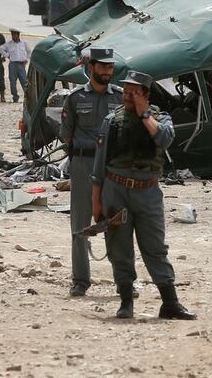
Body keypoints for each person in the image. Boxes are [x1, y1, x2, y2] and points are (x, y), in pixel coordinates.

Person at [92, 71, 195, 320]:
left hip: (147, 191)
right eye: (126, 92)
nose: (127, 97)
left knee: (155, 247)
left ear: (146, 95)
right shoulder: (111, 120)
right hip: (116, 190)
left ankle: (169, 303)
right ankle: (126, 300)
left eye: (134, 93)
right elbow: (99, 166)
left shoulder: (161, 118)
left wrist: (144, 113)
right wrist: (96, 203)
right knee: (119, 247)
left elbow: (164, 138)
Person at [60, 47, 123, 297]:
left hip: (111, 167)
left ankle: (123, 279)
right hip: (83, 164)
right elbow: (67, 134)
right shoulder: (75, 98)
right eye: (103, 66)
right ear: (91, 67)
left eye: (110, 67)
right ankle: (80, 280)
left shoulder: (119, 97)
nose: (108, 71)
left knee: (116, 221)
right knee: (80, 222)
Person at [0, 28, 30, 103]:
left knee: (24, 81)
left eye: (15, 35)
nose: (13, 36)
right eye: (12, 35)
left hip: (21, 64)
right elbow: (0, 49)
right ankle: (15, 97)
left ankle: (28, 97)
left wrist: (26, 59)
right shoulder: (9, 44)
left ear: (18, 35)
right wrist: (7, 55)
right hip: (12, 64)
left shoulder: (24, 43)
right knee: (12, 82)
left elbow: (29, 51)